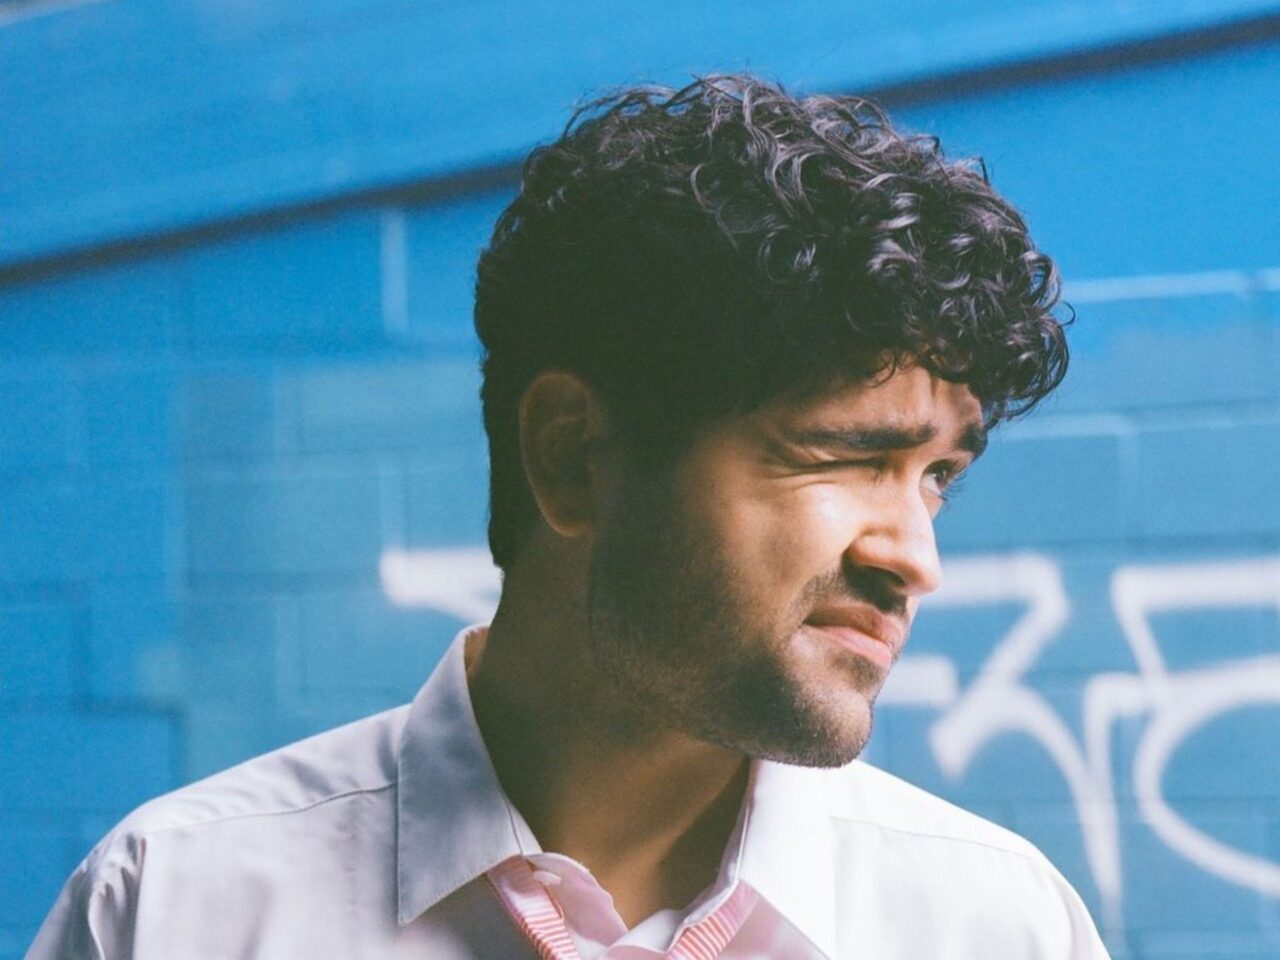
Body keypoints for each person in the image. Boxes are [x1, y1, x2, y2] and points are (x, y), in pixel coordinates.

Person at [29, 74, 1110, 959]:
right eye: (844, 457)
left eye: (935, 476)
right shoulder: (174, 911)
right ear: (571, 456)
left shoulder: (995, 929)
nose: (914, 558)